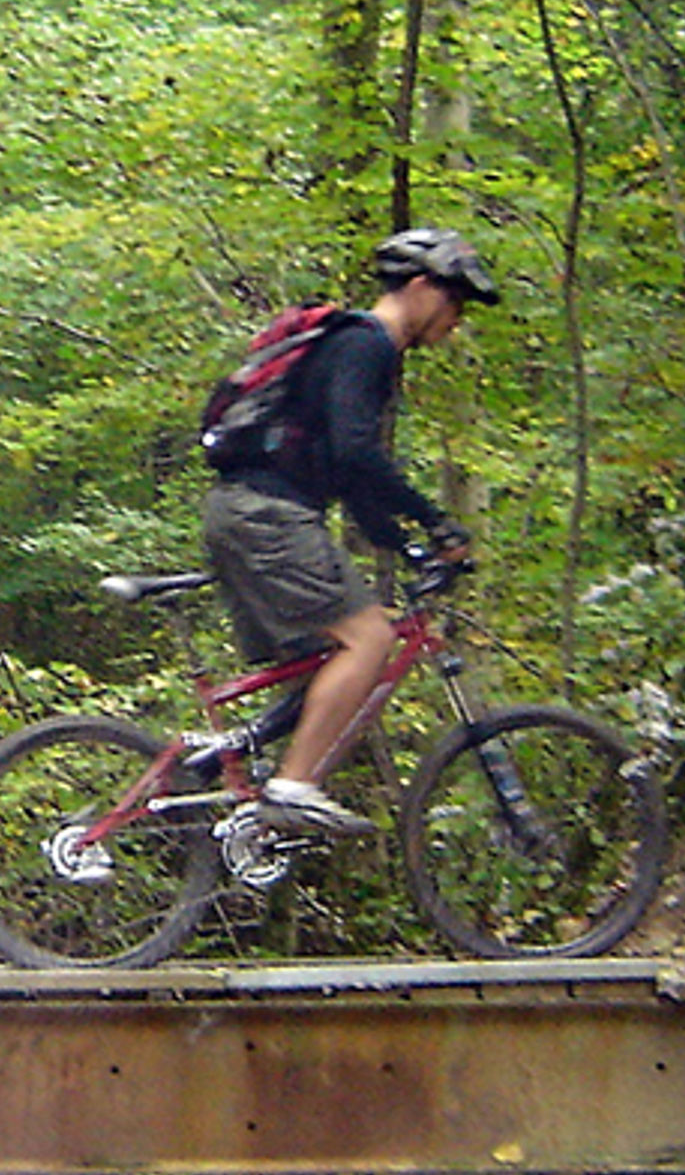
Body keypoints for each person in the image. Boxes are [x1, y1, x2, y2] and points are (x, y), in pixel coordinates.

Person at [198, 223, 497, 835]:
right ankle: (292, 786)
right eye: (453, 300)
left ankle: (216, 770)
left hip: (247, 511)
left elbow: (348, 475)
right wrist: (435, 521)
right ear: (418, 287)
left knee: (333, 654)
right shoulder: (368, 345)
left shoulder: (349, 346)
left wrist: (408, 546)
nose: (456, 319)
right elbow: (360, 454)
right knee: (368, 640)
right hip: (267, 516)